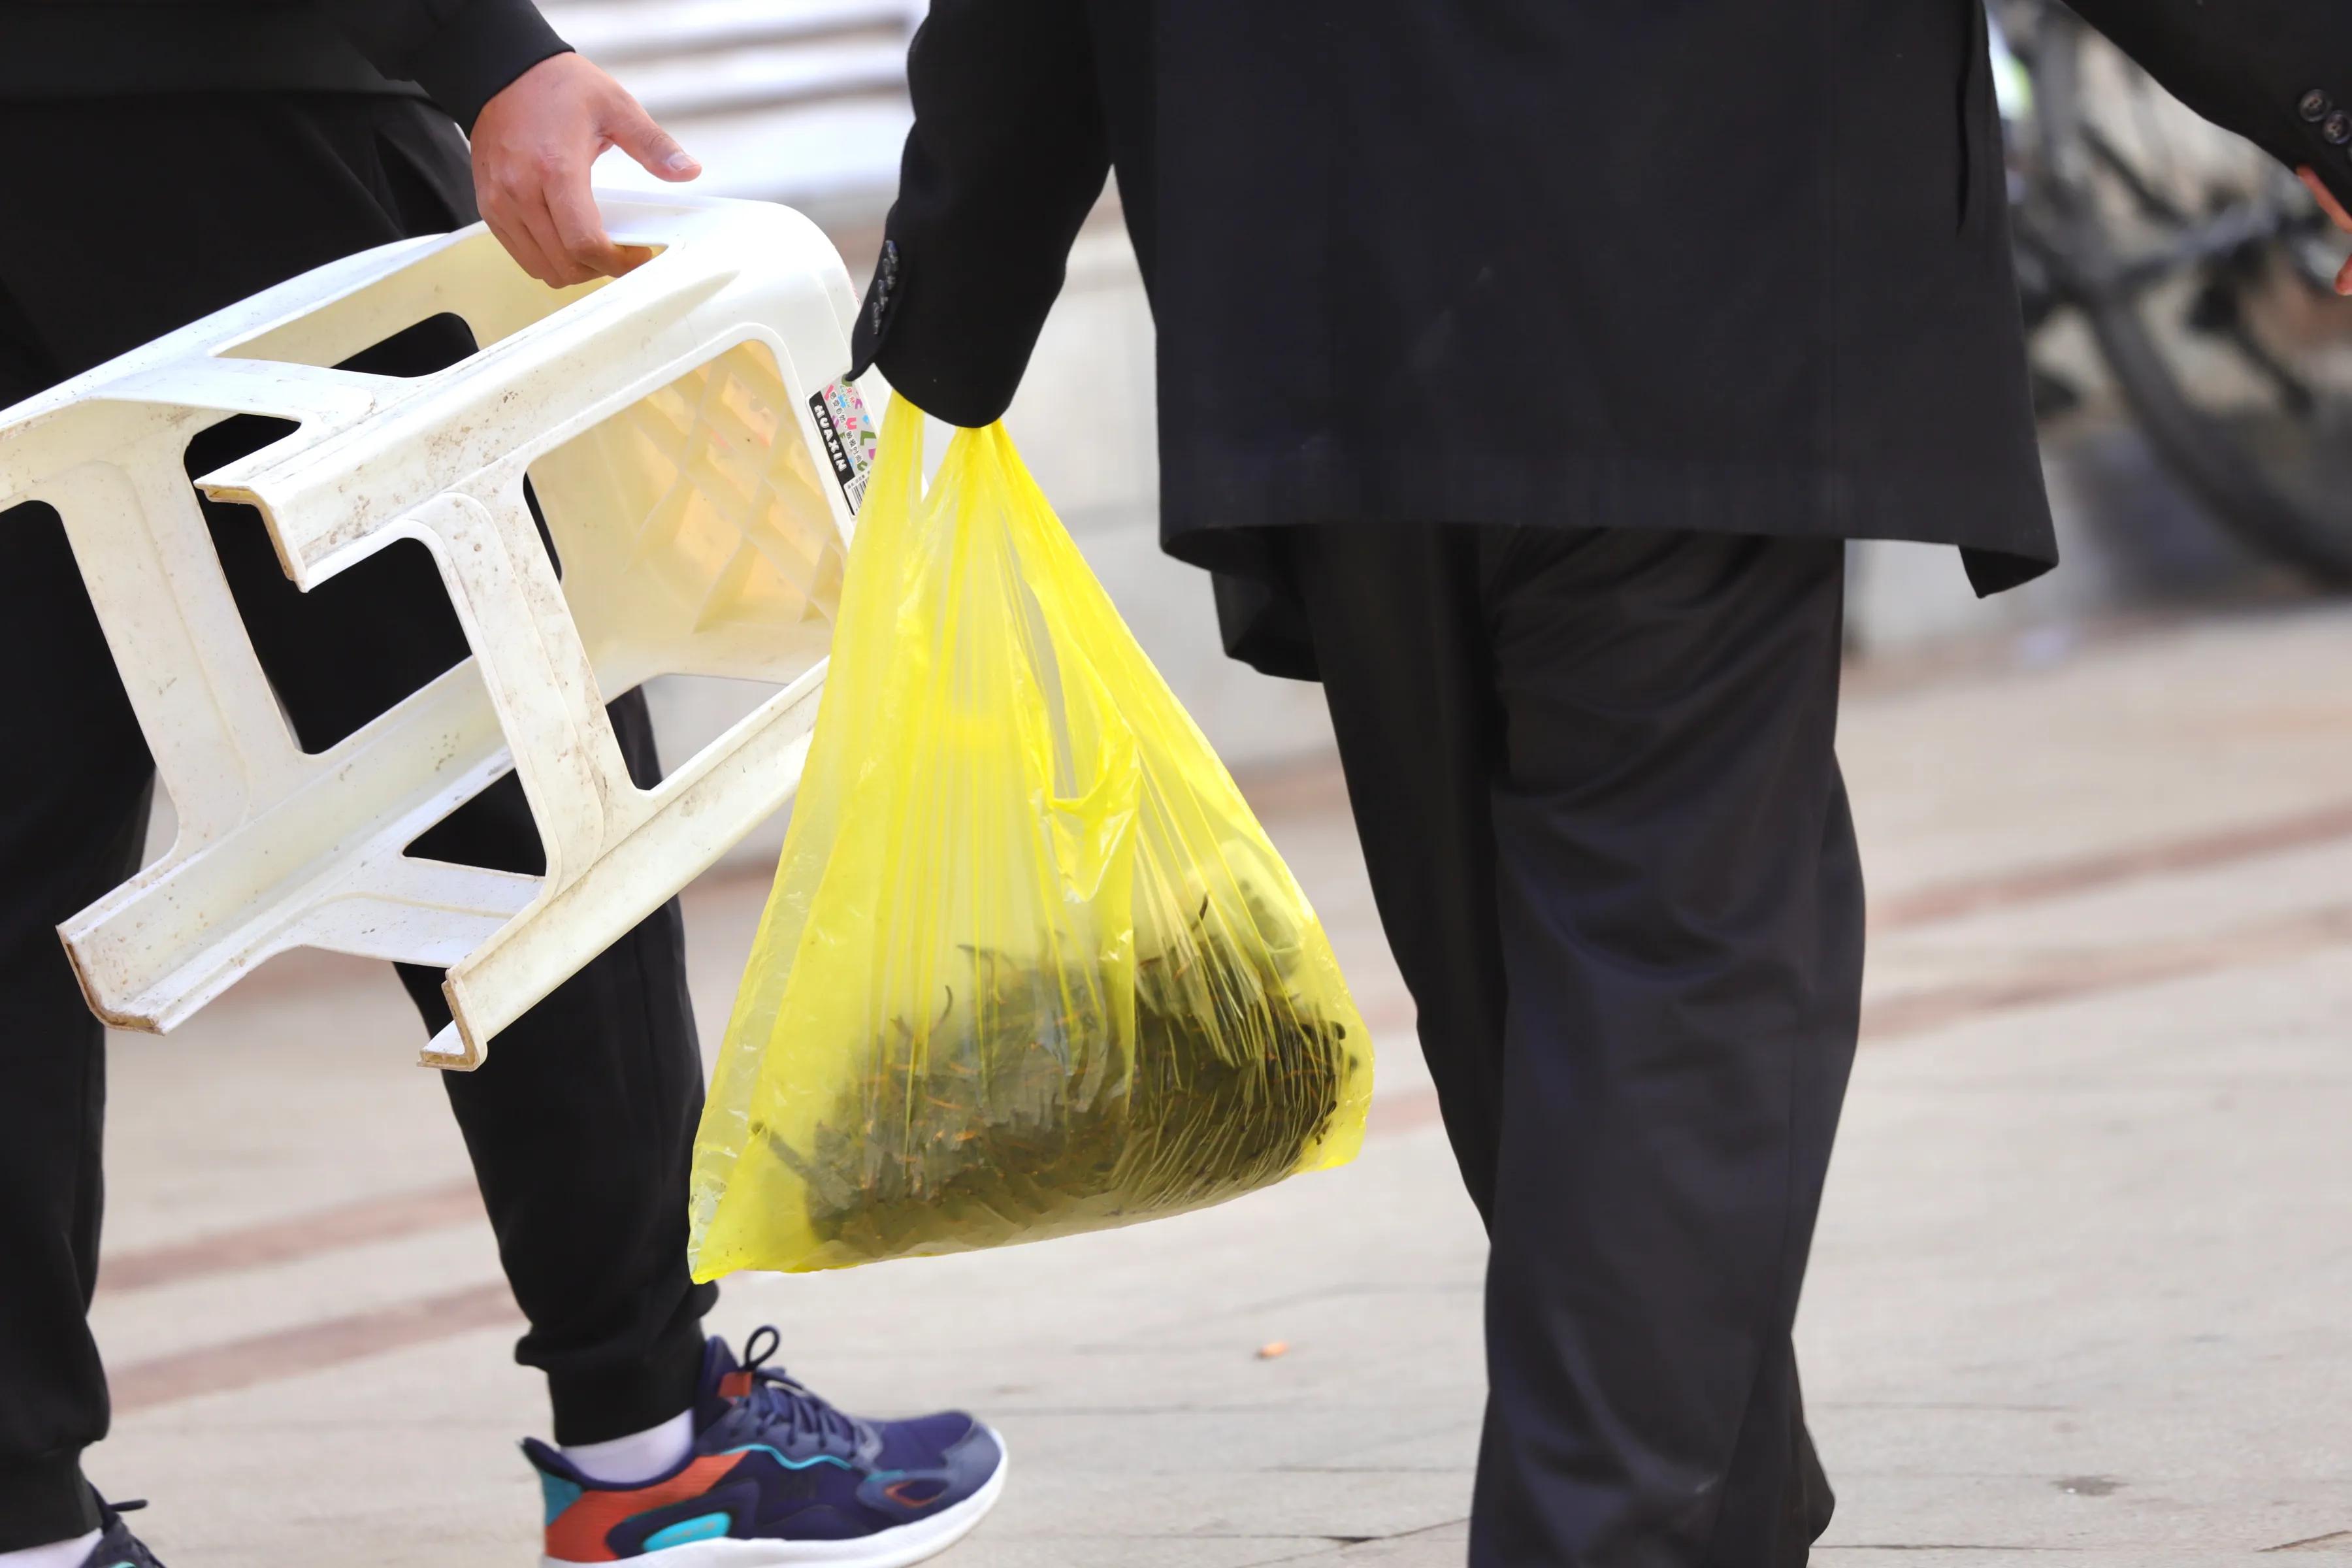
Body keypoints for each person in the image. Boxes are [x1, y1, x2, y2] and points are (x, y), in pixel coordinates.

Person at [504, 1, 2352, 1564]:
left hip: (1329, 257)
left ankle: (1713, 1503)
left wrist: (954, 297)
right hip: (1692, 222)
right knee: (1657, 976)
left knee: (1538, 992)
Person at [0, 7, 1004, 1567]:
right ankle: (652, 1447)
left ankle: (20, 1526)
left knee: (13, 857)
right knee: (526, 759)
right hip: (231, 111)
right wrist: (478, 41)